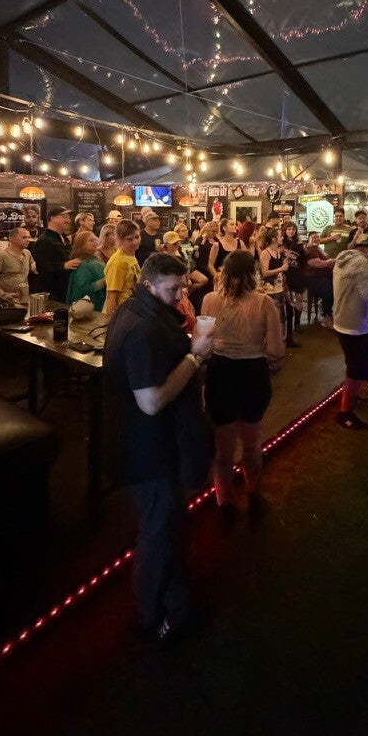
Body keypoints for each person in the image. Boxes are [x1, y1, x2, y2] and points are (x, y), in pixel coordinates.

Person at [103, 253, 214, 640]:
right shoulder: (142, 328)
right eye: (172, 288)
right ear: (148, 285)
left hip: (146, 444)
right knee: (159, 532)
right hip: (147, 449)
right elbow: (151, 401)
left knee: (166, 527)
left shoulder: (135, 311)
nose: (180, 293)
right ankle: (157, 618)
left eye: (182, 285)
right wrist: (194, 357)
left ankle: (168, 604)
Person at [201, 251, 284, 526]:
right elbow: (275, 350)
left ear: (223, 272)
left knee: (222, 449)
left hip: (220, 374)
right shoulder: (264, 303)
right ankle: (253, 494)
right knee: (251, 444)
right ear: (253, 274)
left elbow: (203, 345)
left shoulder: (209, 300)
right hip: (252, 375)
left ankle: (224, 504)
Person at [332, 232, 368, 430]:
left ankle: (353, 397)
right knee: (357, 368)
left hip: (345, 320)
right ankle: (344, 413)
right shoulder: (362, 264)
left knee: (358, 365)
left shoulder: (346, 257)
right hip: (355, 325)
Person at [30, 207, 80, 302]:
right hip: (50, 294)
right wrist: (64, 265)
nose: (68, 220)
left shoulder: (62, 238)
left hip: (62, 291)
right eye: (64, 217)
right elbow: (41, 266)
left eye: (69, 218)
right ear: (52, 218)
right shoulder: (44, 240)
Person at [0, 225, 35, 303]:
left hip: (22, 298)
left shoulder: (27, 253)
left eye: (28, 237)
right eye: (24, 237)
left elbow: (33, 265)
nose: (28, 240)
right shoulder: (1, 256)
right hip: (4, 300)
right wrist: (3, 294)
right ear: (12, 239)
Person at [104, 219, 141, 317]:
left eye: (137, 237)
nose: (135, 242)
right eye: (129, 239)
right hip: (121, 313)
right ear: (120, 239)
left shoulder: (130, 255)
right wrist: (111, 322)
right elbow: (112, 296)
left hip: (131, 309)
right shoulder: (118, 261)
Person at [66, 230, 106, 311]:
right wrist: (105, 281)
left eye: (95, 239)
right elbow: (82, 289)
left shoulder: (96, 259)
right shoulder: (82, 264)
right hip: (90, 306)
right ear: (82, 245)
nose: (95, 241)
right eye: (91, 240)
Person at [303, 231, 334, 326]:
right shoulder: (312, 249)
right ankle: (326, 317)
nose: (316, 239)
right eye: (313, 237)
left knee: (334, 287)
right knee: (329, 291)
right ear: (309, 239)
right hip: (313, 278)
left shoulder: (318, 248)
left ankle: (327, 311)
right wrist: (331, 261)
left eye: (317, 237)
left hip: (321, 276)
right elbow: (318, 264)